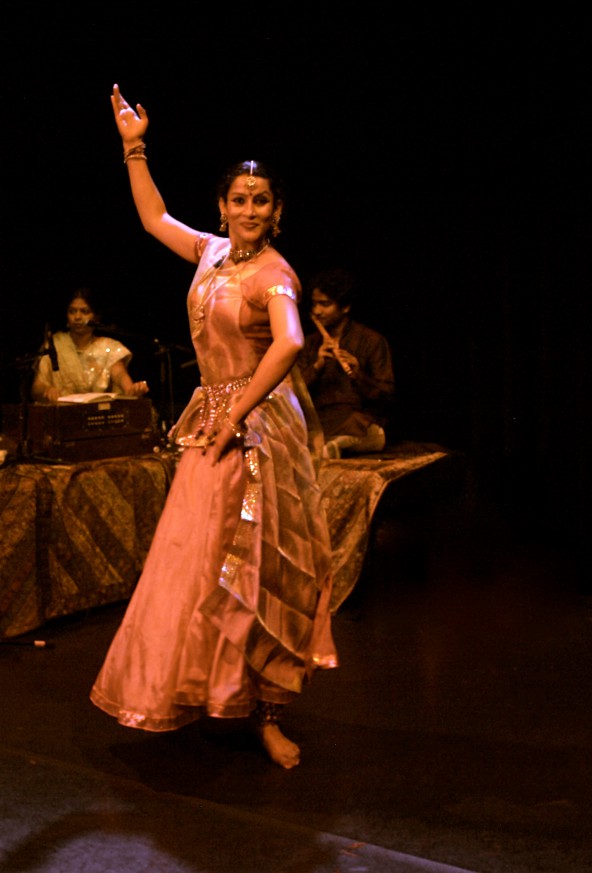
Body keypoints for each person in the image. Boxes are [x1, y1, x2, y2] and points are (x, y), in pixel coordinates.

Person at [90, 85, 336, 769]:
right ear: (222, 207)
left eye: (261, 201)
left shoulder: (275, 273)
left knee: (259, 571)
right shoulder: (209, 254)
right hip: (216, 424)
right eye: (238, 199)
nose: (249, 210)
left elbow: (288, 344)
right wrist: (133, 147)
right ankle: (212, 691)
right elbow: (152, 218)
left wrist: (239, 409)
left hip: (257, 428)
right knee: (200, 566)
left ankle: (266, 713)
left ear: (277, 212)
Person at [298, 268, 395, 457]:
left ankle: (337, 445)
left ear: (345, 307)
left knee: (369, 430)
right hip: (321, 419)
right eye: (314, 304)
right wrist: (317, 366)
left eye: (325, 304)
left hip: (358, 418)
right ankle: (335, 445)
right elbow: (295, 393)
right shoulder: (308, 344)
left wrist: (358, 375)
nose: (317, 311)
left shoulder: (371, 340)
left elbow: (387, 397)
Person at [31, 288, 149, 402]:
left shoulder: (109, 347)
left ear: (96, 317)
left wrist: (131, 389)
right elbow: (37, 387)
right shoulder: (54, 345)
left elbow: (119, 374)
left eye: (85, 311)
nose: (77, 317)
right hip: (60, 415)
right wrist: (47, 390)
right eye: (72, 311)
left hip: (99, 415)